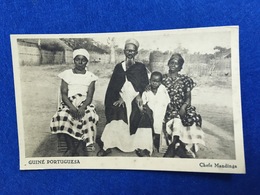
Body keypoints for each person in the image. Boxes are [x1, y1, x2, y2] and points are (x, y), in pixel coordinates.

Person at [97, 38, 149, 156]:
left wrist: (139, 95)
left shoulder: (140, 67)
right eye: (128, 50)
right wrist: (120, 98)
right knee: (116, 112)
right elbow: (113, 87)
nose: (130, 53)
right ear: (124, 51)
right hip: (121, 97)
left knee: (141, 114)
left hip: (136, 97)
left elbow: (144, 84)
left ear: (136, 52)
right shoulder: (119, 67)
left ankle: (140, 146)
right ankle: (107, 146)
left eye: (132, 51)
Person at [50, 48, 99, 156]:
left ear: (87, 62)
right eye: (78, 59)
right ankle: (71, 147)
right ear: (74, 60)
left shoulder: (90, 76)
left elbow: (90, 96)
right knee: (63, 116)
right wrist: (72, 107)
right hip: (69, 102)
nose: (80, 62)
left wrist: (82, 108)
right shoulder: (66, 74)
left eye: (83, 60)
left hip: (85, 103)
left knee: (88, 116)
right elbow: (64, 94)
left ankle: (81, 146)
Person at [162, 53, 205, 158]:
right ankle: (173, 147)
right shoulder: (161, 78)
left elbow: (188, 97)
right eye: (171, 62)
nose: (173, 65)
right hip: (167, 106)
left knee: (193, 117)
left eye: (176, 64)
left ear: (180, 67)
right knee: (175, 119)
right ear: (168, 64)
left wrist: (184, 106)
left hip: (182, 106)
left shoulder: (186, 80)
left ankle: (182, 146)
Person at [134, 71, 170, 157]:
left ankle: (155, 143)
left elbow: (166, 101)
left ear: (160, 82)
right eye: (153, 80)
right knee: (146, 119)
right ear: (150, 80)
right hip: (150, 110)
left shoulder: (162, 89)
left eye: (157, 81)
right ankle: (146, 146)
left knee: (157, 125)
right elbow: (143, 101)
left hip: (160, 111)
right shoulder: (147, 91)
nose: (154, 83)